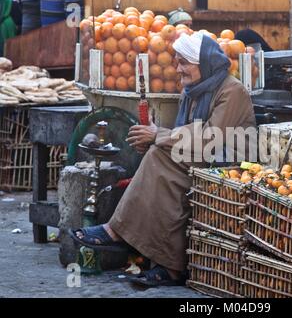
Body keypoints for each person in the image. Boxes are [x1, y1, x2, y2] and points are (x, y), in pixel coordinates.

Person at [70, 32, 256, 287]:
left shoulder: (232, 91)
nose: (178, 69)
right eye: (177, 62)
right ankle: (165, 264)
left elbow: (210, 137)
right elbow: (189, 137)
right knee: (157, 155)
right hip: (203, 157)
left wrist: (160, 135)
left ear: (203, 63)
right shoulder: (193, 90)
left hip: (230, 166)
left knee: (161, 159)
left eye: (184, 63)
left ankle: (119, 234)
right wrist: (156, 138)